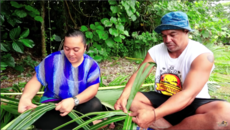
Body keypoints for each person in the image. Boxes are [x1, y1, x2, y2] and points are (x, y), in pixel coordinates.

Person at [114, 11, 230, 129]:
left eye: (172, 34)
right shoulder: (155, 51)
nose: (167, 40)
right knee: (130, 99)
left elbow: (188, 94)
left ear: (186, 31)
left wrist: (154, 115)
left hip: (193, 101)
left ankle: (161, 125)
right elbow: (140, 74)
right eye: (164, 35)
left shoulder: (202, 55)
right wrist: (123, 96)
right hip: (163, 97)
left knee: (225, 119)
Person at [18, 30, 102, 129]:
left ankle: (69, 125)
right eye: (67, 48)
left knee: (95, 105)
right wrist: (26, 98)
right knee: (37, 118)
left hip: (78, 103)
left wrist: (73, 101)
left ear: (84, 47)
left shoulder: (92, 65)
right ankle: (96, 124)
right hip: (53, 105)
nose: (70, 53)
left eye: (76, 50)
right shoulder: (53, 59)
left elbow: (93, 89)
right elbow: (36, 80)